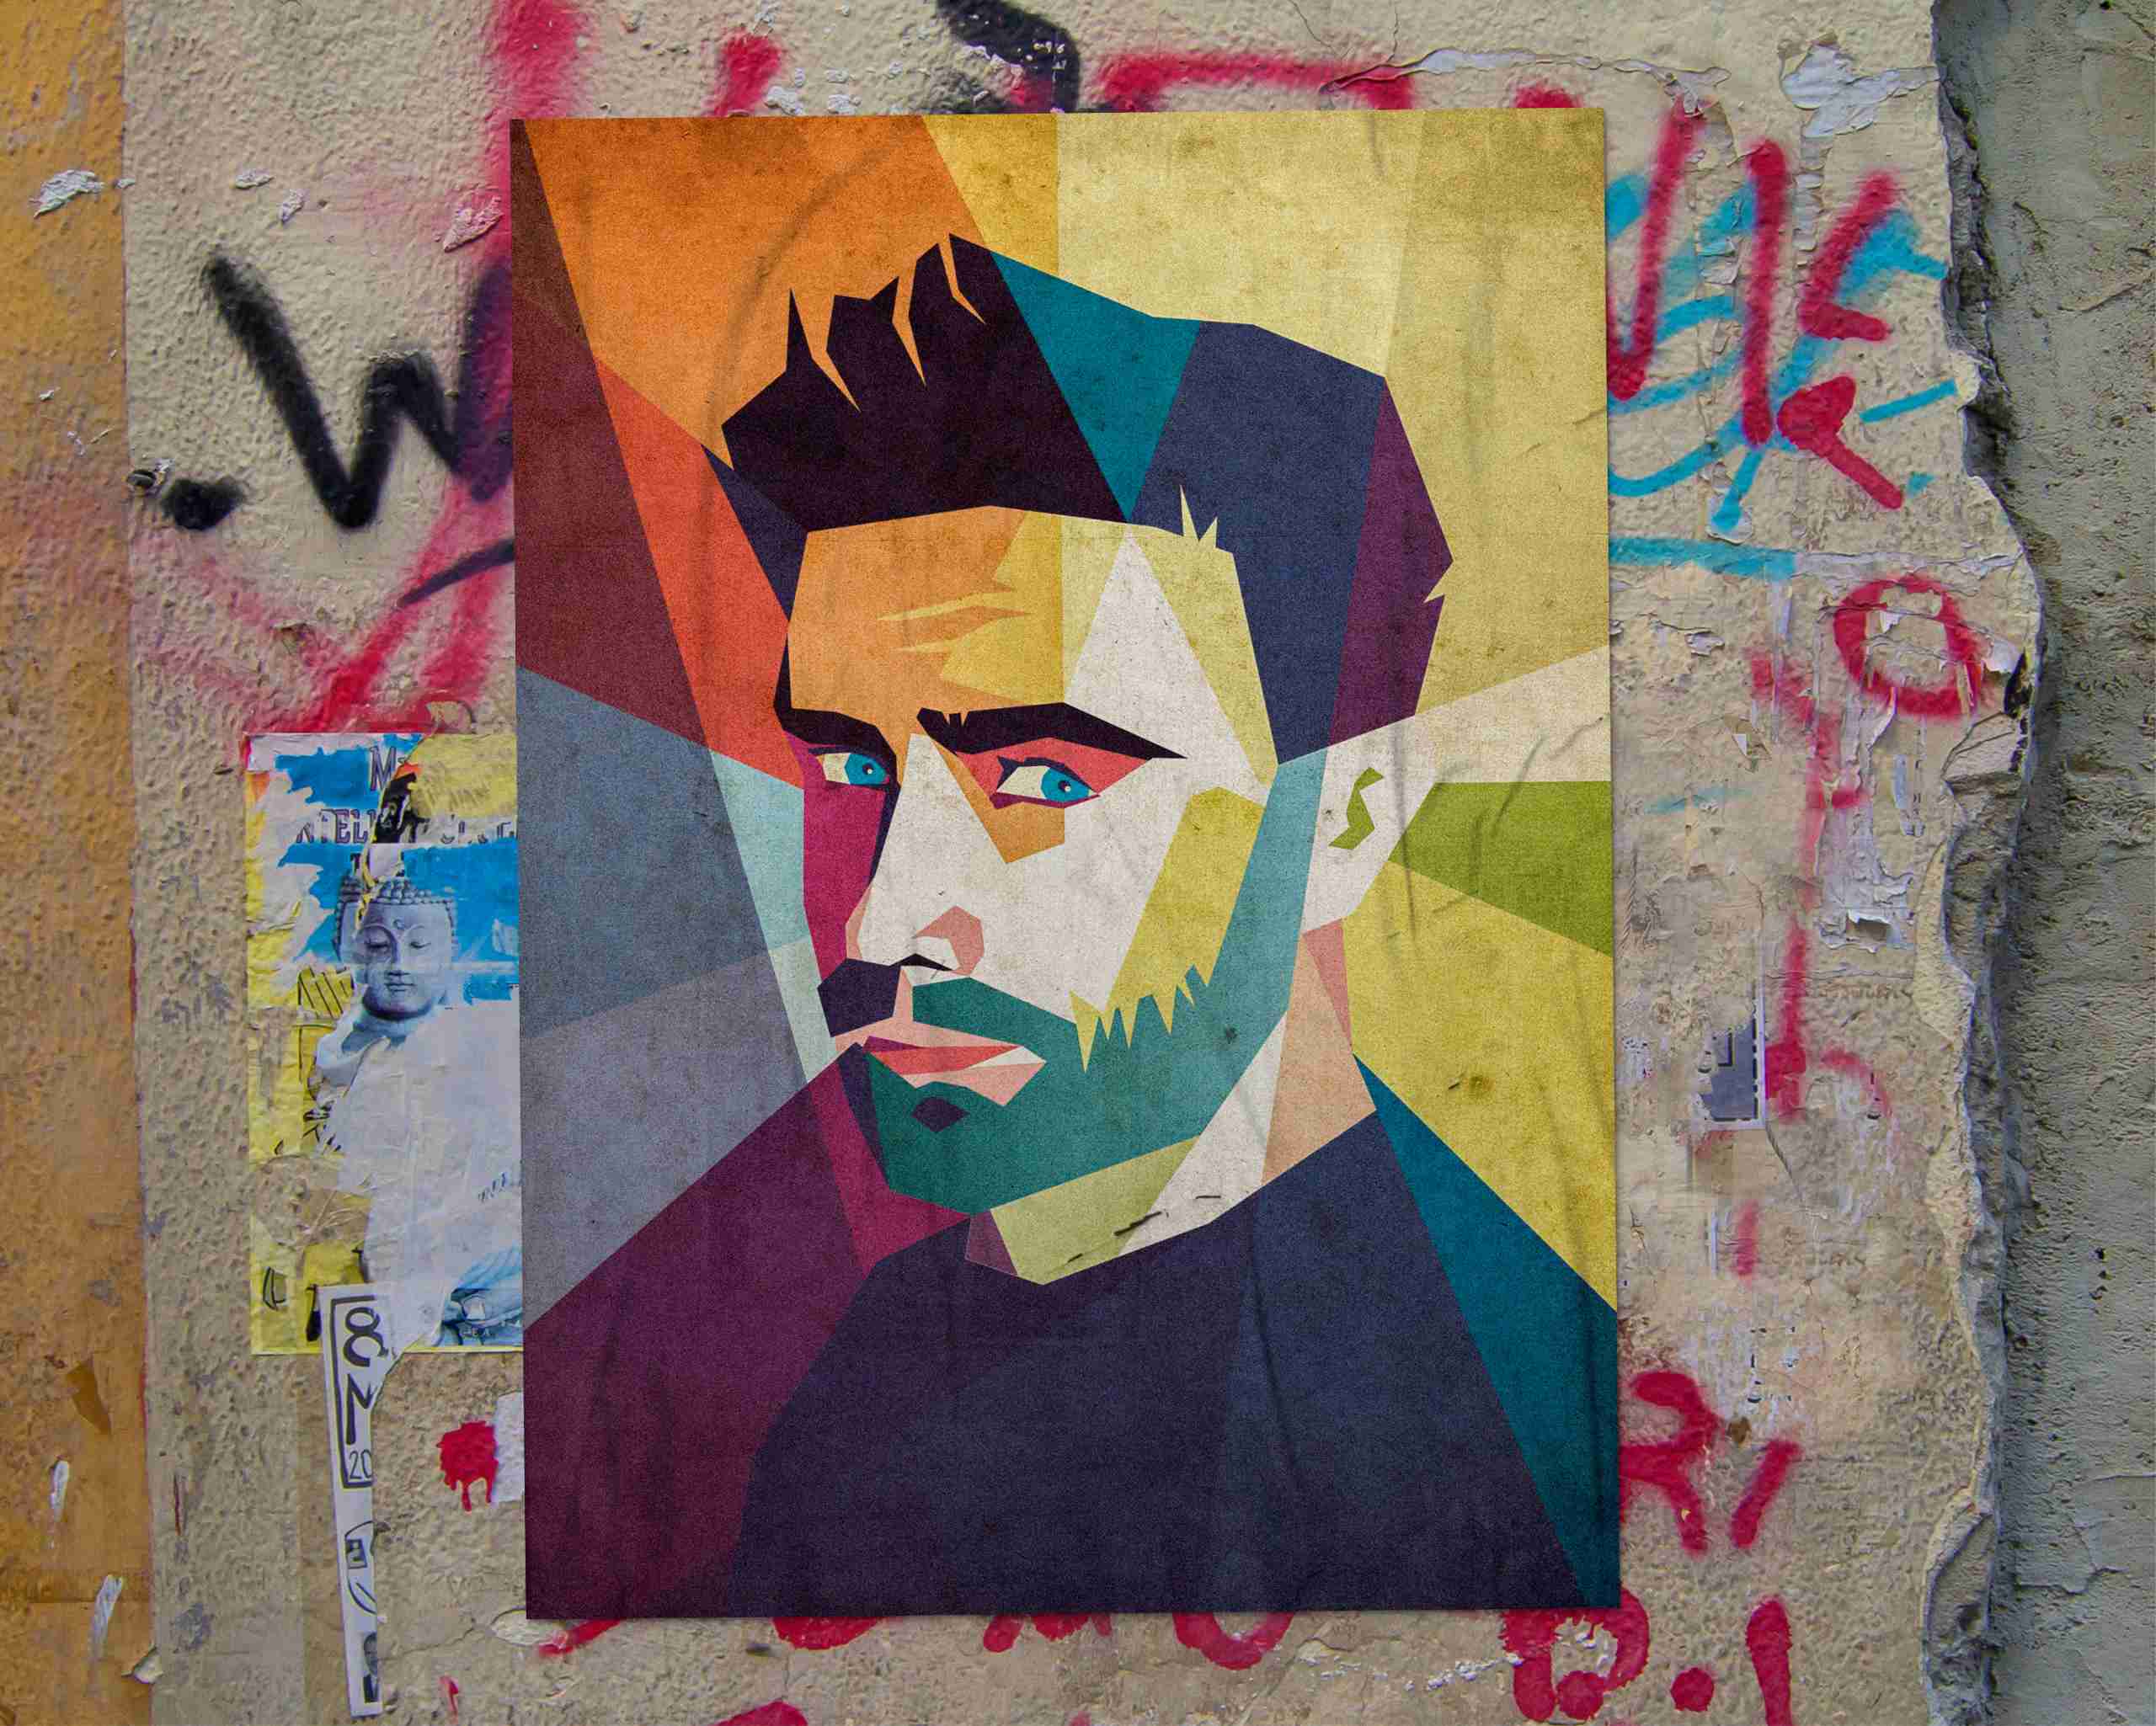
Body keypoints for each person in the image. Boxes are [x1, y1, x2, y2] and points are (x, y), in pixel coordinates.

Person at [526, 238, 1612, 1617]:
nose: (888, 918)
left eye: (1042, 779)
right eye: (852, 765)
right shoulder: (868, 1385)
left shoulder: (1473, 1426)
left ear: (1340, 818)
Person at [314, 867, 521, 1350]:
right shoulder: (340, 1058)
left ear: (452, 952)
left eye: (420, 946)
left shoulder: (487, 1043)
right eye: (379, 945)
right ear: (354, 950)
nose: (399, 964)